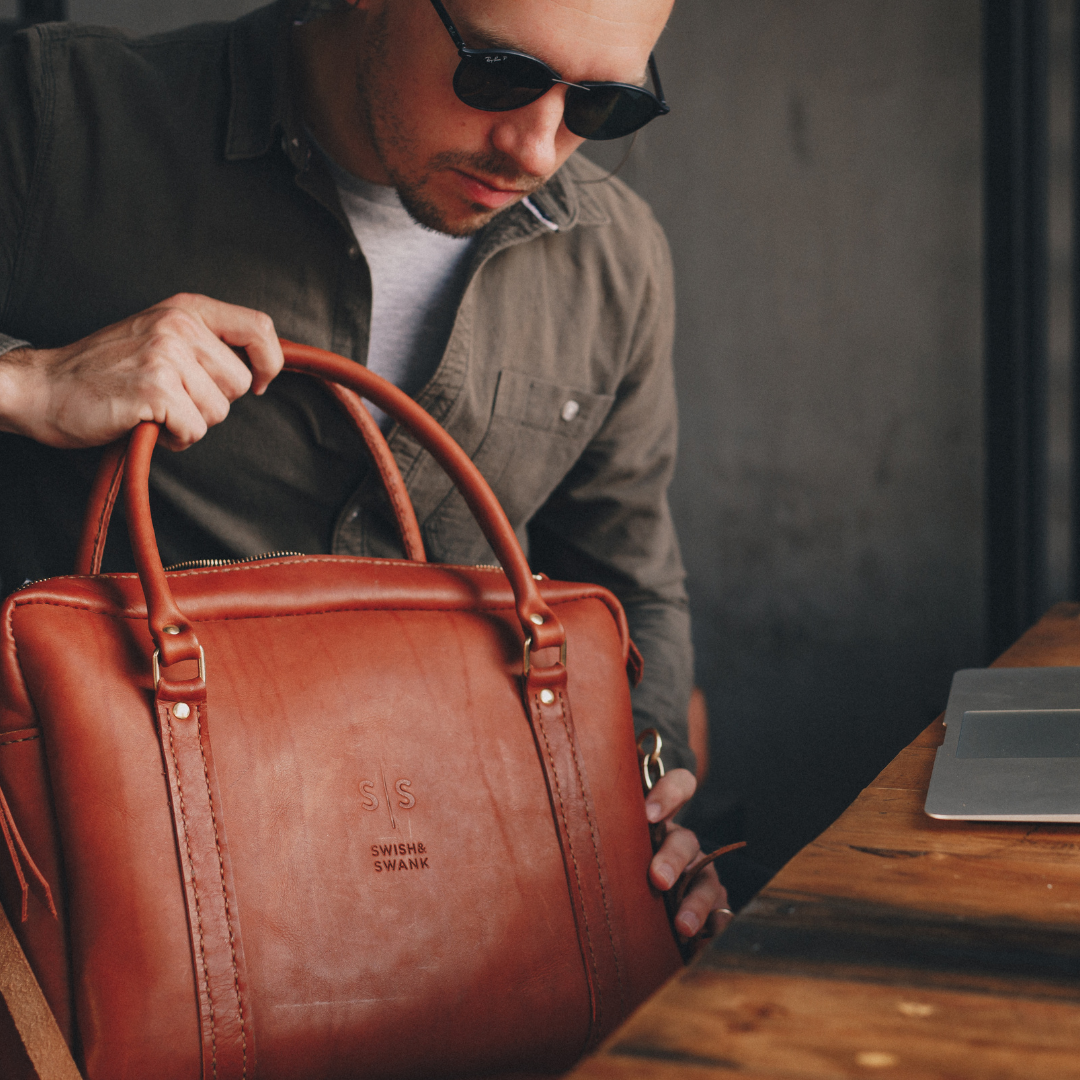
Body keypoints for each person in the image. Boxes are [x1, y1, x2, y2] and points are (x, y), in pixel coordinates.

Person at [0, 0, 728, 940]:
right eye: (498, 74)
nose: (539, 147)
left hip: (454, 911)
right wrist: (32, 381)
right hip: (97, 914)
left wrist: (639, 821)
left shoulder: (613, 259)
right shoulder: (56, 122)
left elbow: (628, 588)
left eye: (601, 106)